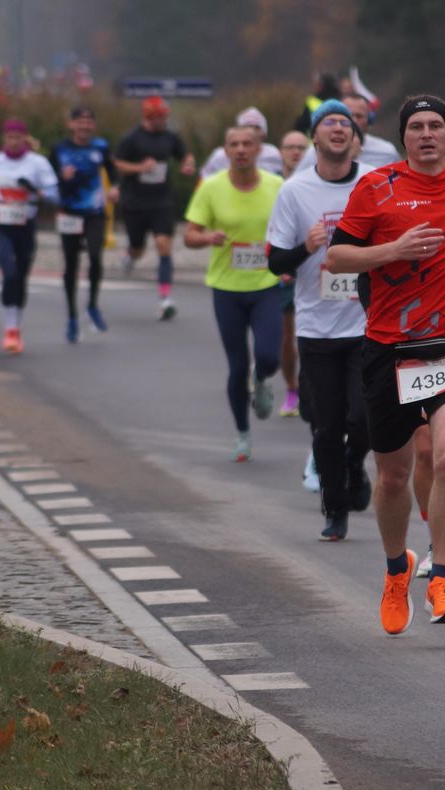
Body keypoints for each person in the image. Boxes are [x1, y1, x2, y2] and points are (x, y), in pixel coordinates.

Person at [325, 94, 445, 634]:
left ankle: (442, 576)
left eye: (436, 126)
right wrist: (393, 250)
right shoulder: (376, 187)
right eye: (417, 127)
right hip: (389, 347)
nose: (427, 134)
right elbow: (336, 255)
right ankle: (396, 568)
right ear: (403, 137)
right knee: (394, 476)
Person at [267, 99, 373, 541]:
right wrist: (307, 250)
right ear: (314, 136)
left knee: (365, 419)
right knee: (326, 426)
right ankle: (335, 508)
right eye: (328, 122)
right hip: (315, 327)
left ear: (354, 137)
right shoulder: (295, 190)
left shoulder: (373, 183)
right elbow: (275, 262)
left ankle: (352, 468)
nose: (337, 128)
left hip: (367, 323)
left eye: (344, 123)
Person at [183, 124, 283, 462]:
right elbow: (189, 235)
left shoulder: (277, 186)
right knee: (236, 367)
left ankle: (263, 377)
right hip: (226, 288)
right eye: (234, 144)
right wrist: (207, 238)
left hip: (266, 285)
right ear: (225, 151)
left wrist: (287, 259)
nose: (240, 149)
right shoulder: (211, 188)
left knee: (269, 356)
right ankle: (242, 432)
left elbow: (290, 228)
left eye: (247, 144)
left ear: (259, 150)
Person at [114, 96, 196, 320]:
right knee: (139, 249)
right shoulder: (132, 138)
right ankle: (129, 254)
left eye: (165, 116)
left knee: (163, 246)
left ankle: (165, 299)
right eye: (159, 117)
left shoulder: (169, 137)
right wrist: (140, 167)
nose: (163, 120)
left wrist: (187, 164)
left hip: (161, 201)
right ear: (148, 117)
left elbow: (184, 154)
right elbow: (117, 164)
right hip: (135, 202)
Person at [0, 118, 59, 354]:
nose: (14, 142)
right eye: (9, 138)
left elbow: (55, 196)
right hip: (0, 224)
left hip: (25, 225)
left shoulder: (38, 163)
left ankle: (16, 325)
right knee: (9, 270)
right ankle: (10, 329)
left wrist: (34, 190)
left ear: (25, 139)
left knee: (21, 275)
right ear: (4, 139)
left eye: (18, 137)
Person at [48, 106, 119, 343]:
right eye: (80, 121)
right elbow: (48, 180)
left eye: (88, 122)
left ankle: (92, 305)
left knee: (96, 256)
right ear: (71, 124)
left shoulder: (100, 146)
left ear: (93, 126)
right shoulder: (59, 149)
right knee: (71, 264)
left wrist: (116, 188)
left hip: (94, 212)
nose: (84, 126)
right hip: (69, 213)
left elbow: (112, 169)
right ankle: (72, 316)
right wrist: (61, 177)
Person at [275, 130, 310, 416]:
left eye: (301, 147)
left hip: (317, 272)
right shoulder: (275, 185)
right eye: (290, 147)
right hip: (283, 270)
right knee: (289, 335)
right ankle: (291, 388)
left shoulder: (315, 181)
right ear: (281, 152)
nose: (296, 152)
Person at [296, 93, 401, 173]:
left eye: (359, 116)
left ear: (369, 120)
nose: (354, 121)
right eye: (349, 115)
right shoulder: (317, 151)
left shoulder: (387, 152)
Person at [199, 107, 284, 178]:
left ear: (264, 133)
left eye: (257, 127)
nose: (253, 131)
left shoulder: (273, 154)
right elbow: (203, 180)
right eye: (247, 127)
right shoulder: (219, 156)